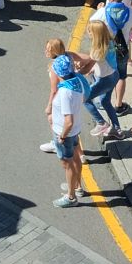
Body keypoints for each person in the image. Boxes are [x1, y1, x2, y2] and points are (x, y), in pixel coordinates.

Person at [48, 54, 89, 208]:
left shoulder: (65, 92)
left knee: (67, 163)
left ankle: (71, 197)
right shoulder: (77, 80)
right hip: (76, 130)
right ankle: (77, 187)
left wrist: (62, 137)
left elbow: (68, 121)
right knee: (76, 158)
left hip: (64, 133)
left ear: (59, 73)